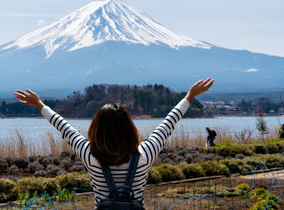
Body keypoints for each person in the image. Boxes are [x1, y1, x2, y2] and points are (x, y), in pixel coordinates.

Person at [15, 78, 214, 208]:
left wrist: (40, 104)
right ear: (129, 128)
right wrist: (189, 97)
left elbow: (64, 127)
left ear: (96, 129)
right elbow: (168, 123)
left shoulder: (89, 155)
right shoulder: (145, 155)